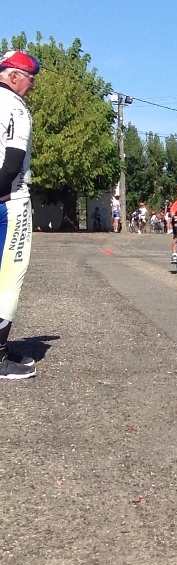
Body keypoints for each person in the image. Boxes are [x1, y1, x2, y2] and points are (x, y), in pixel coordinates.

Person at [0, 50, 41, 378]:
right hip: (10, 201)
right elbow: (11, 164)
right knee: (9, 278)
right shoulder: (15, 108)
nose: (32, 86)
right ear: (14, 76)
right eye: (31, 79)